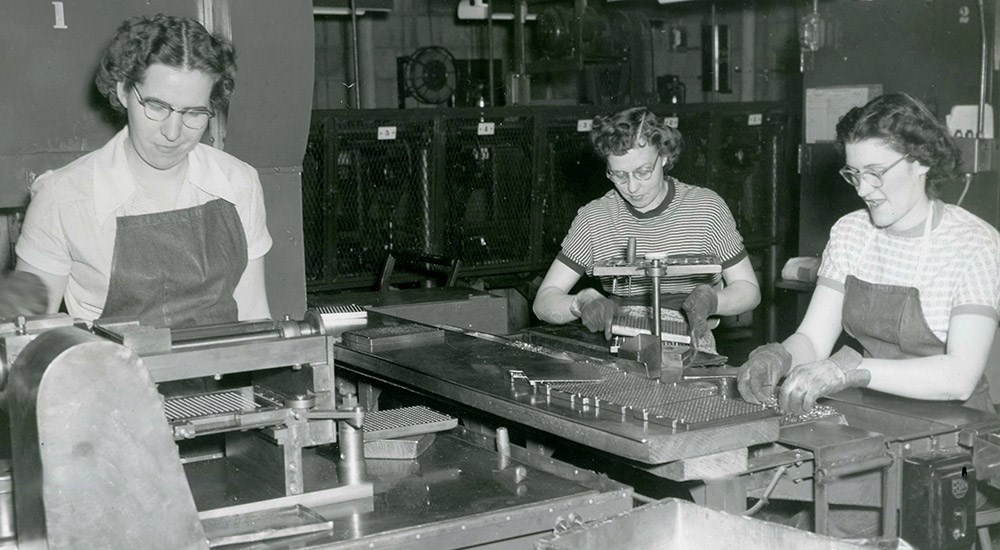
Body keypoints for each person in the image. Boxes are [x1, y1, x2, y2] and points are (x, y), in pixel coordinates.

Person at [738, 93, 1000, 415]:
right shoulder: (850, 233)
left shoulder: (973, 244)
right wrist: (779, 356)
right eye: (854, 174)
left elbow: (959, 377)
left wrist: (851, 369)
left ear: (921, 162)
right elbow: (813, 338)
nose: (862, 190)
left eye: (875, 172)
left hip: (956, 426)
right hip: (872, 411)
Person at [15, 14, 272, 329]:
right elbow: (24, 336)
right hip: (110, 375)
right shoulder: (61, 197)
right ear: (124, 91)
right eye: (157, 107)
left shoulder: (239, 183)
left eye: (194, 113)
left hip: (223, 375)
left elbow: (254, 315)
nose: (173, 132)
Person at [532, 106, 761, 351]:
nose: (632, 187)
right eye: (619, 175)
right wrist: (580, 302)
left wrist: (713, 301)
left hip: (692, 349)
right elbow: (543, 302)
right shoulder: (595, 218)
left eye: (643, 172)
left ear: (663, 156)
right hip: (622, 349)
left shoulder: (706, 209)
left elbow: (749, 290)